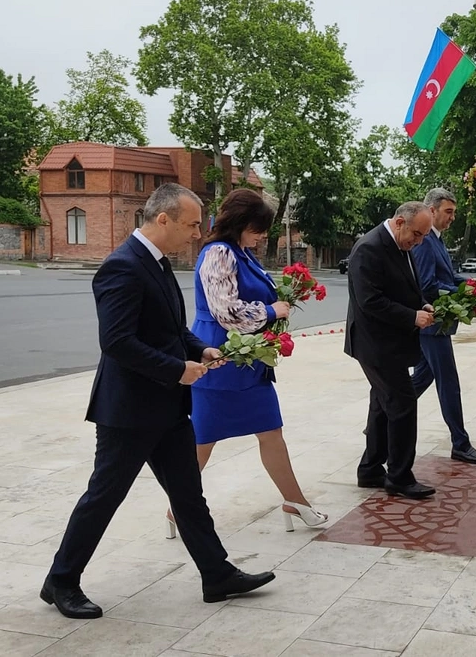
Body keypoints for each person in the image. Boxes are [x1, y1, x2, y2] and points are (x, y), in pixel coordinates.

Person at [42, 183, 275, 620]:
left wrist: (199, 349)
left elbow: (171, 328)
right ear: (163, 218)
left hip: (167, 406)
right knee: (105, 495)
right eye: (191, 225)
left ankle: (217, 574)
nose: (197, 234)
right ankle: (61, 580)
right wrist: (175, 369)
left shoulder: (158, 262)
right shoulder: (122, 266)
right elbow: (116, 342)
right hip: (130, 410)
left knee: (188, 494)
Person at [176, 188, 326, 535]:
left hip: (249, 360)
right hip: (219, 357)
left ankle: (295, 501)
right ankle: (177, 509)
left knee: (271, 430)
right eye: (258, 228)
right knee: (203, 440)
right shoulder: (218, 253)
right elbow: (226, 312)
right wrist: (271, 311)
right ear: (241, 223)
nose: (262, 236)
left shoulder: (242, 253)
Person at [345, 201, 437, 500]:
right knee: (403, 404)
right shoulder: (369, 248)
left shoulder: (400, 244)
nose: (418, 241)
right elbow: (370, 301)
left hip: (389, 343)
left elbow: (404, 286)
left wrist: (421, 304)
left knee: (382, 405)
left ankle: (371, 469)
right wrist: (411, 317)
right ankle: (399, 476)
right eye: (416, 234)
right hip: (375, 344)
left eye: (423, 236)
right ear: (399, 222)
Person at [410, 188, 476, 465]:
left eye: (454, 212)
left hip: (437, 324)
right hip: (433, 324)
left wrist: (472, 285)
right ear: (431, 210)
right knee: (449, 383)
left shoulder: (437, 239)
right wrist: (462, 295)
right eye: (448, 212)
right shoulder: (424, 242)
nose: (452, 217)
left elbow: (447, 275)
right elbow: (427, 285)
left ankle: (380, 420)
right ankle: (460, 443)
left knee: (421, 379)